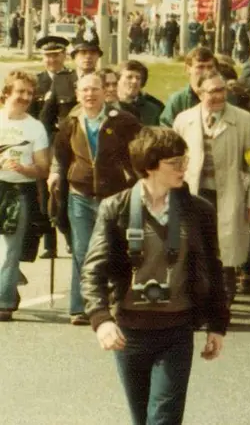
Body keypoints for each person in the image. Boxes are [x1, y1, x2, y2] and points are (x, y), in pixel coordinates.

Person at [80, 127, 229, 425]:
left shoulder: (198, 210)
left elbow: (212, 268)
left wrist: (217, 324)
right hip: (130, 332)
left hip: (177, 330)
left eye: (184, 160)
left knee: (163, 418)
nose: (183, 168)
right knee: (142, 418)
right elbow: (93, 269)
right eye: (174, 162)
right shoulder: (116, 208)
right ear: (149, 166)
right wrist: (100, 319)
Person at [51, 73, 143, 325]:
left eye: (95, 89)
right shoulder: (69, 122)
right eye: (85, 90)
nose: (89, 94)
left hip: (114, 196)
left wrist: (137, 180)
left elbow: (140, 151)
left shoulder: (124, 121)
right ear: (78, 94)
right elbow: (60, 154)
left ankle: (118, 301)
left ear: (105, 92)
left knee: (114, 248)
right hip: (79, 194)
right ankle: (81, 307)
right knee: (82, 250)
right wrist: (55, 175)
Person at [171, 70, 250, 305]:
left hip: (230, 192)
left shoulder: (244, 121)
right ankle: (196, 300)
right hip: (194, 191)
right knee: (194, 245)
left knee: (227, 247)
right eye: (213, 91)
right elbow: (173, 160)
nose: (219, 96)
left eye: (222, 90)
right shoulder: (184, 120)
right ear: (200, 93)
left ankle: (225, 299)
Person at [0, 71, 50, 321]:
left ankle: (4, 302)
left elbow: (43, 168)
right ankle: (8, 281)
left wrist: (25, 169)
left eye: (30, 93)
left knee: (10, 249)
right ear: (6, 93)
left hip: (18, 191)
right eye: (20, 92)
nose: (26, 97)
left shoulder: (35, 127)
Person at [30, 35, 76, 260]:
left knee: (64, 190)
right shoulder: (35, 83)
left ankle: (69, 237)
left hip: (65, 144)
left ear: (64, 56)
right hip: (41, 145)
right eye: (47, 56)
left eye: (56, 56)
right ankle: (50, 244)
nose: (52, 61)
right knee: (43, 193)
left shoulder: (71, 79)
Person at [159, 48, 219, 127]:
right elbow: (166, 130)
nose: (206, 71)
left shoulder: (223, 97)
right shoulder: (178, 101)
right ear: (188, 69)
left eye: (210, 67)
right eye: (200, 67)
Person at [115, 61, 165, 127]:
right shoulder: (106, 106)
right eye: (129, 77)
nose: (134, 81)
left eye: (138, 78)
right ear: (117, 80)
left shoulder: (153, 110)